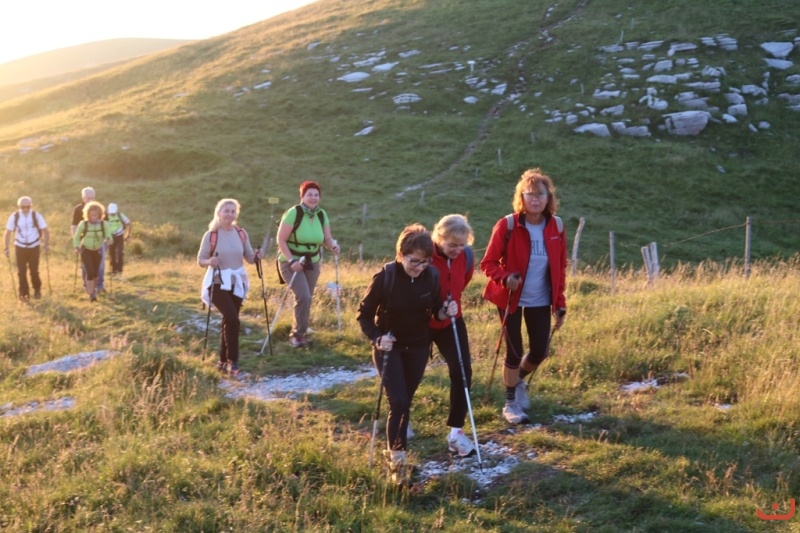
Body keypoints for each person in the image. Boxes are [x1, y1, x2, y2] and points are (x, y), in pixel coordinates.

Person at [357, 224, 458, 484]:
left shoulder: (431, 276)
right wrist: (378, 338)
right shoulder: (386, 276)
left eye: (425, 262)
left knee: (405, 402)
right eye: (414, 261)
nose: (419, 267)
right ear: (401, 254)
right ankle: (397, 463)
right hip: (389, 347)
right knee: (399, 402)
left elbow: (436, 311)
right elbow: (364, 315)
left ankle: (396, 454)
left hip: (418, 346)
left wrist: (446, 311)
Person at [480, 168, 567, 425]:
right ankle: (510, 403)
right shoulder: (507, 225)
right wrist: (506, 277)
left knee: (540, 351)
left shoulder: (557, 226)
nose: (535, 199)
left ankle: (517, 381)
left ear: (548, 198)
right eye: (530, 194)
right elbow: (488, 263)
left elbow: (560, 268)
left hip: (541, 298)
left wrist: (559, 303)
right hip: (510, 298)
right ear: (521, 198)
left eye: (541, 194)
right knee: (514, 351)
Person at [429, 214, 478, 457]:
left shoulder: (466, 257)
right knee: (409, 374)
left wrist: (451, 306)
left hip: (451, 321)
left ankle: (456, 433)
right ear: (439, 238)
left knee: (463, 372)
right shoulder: (424, 254)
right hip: (421, 322)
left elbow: (461, 283)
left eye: (462, 244)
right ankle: (402, 421)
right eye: (452, 245)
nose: (457, 250)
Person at [197, 199, 262, 375]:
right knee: (232, 318)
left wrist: (257, 256)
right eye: (226, 211)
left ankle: (222, 361)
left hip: (237, 283)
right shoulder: (211, 235)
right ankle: (233, 361)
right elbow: (200, 260)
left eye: (233, 211)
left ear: (236, 214)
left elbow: (249, 257)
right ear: (219, 213)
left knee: (230, 320)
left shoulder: (241, 233)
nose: (229, 214)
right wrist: (210, 261)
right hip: (217, 282)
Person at [276, 181, 340, 348]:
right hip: (291, 261)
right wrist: (292, 261)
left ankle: (300, 332)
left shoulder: (321, 214)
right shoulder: (293, 213)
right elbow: (281, 240)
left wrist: (333, 246)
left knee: (307, 297)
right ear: (302, 196)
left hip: (313, 262)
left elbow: (326, 238)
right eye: (309, 194)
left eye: (316, 195)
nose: (313, 198)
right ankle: (297, 335)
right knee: (303, 295)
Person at [4, 196, 50, 302]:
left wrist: (46, 244)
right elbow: (8, 233)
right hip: (20, 247)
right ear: (19, 206)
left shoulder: (36, 216)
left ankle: (37, 289)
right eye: (23, 207)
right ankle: (23, 292)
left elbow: (45, 231)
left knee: (34, 271)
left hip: (34, 246)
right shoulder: (14, 216)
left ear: (31, 206)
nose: (25, 209)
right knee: (21, 271)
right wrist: (6, 248)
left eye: (28, 207)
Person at [73, 201, 113, 302]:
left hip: (98, 250)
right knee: (90, 271)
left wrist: (109, 240)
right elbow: (76, 237)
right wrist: (77, 247)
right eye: (91, 215)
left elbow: (109, 235)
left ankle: (93, 290)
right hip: (86, 249)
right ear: (88, 215)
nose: (94, 217)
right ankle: (91, 294)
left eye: (95, 215)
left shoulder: (104, 224)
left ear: (100, 215)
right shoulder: (83, 224)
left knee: (95, 272)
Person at [71, 187, 105, 292]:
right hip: (84, 242)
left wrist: (107, 239)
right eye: (88, 198)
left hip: (99, 241)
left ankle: (99, 285)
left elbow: (105, 224)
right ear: (83, 198)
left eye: (92, 198)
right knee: (86, 265)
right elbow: (74, 225)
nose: (91, 200)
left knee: (100, 264)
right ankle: (87, 286)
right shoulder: (78, 209)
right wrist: (76, 242)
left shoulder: (99, 208)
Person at [105, 203, 132, 276]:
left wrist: (128, 235)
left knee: (120, 252)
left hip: (119, 236)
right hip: (110, 236)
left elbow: (129, 224)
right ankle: (113, 271)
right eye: (111, 213)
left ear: (116, 211)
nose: (112, 214)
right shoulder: (106, 217)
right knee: (112, 254)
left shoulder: (120, 215)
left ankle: (120, 271)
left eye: (113, 213)